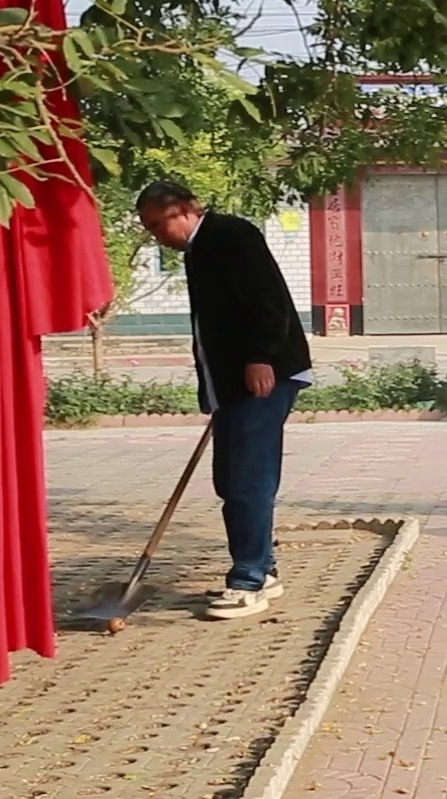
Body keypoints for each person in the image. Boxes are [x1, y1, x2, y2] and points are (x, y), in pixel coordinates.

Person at [137, 182, 313, 620]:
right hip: (233, 383)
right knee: (232, 480)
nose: (157, 237)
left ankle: (248, 580)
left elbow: (267, 300)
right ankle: (263, 569)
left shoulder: (232, 235)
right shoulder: (200, 249)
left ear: (183, 210)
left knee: (247, 479)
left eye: (158, 225)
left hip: (262, 376)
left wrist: (260, 357)